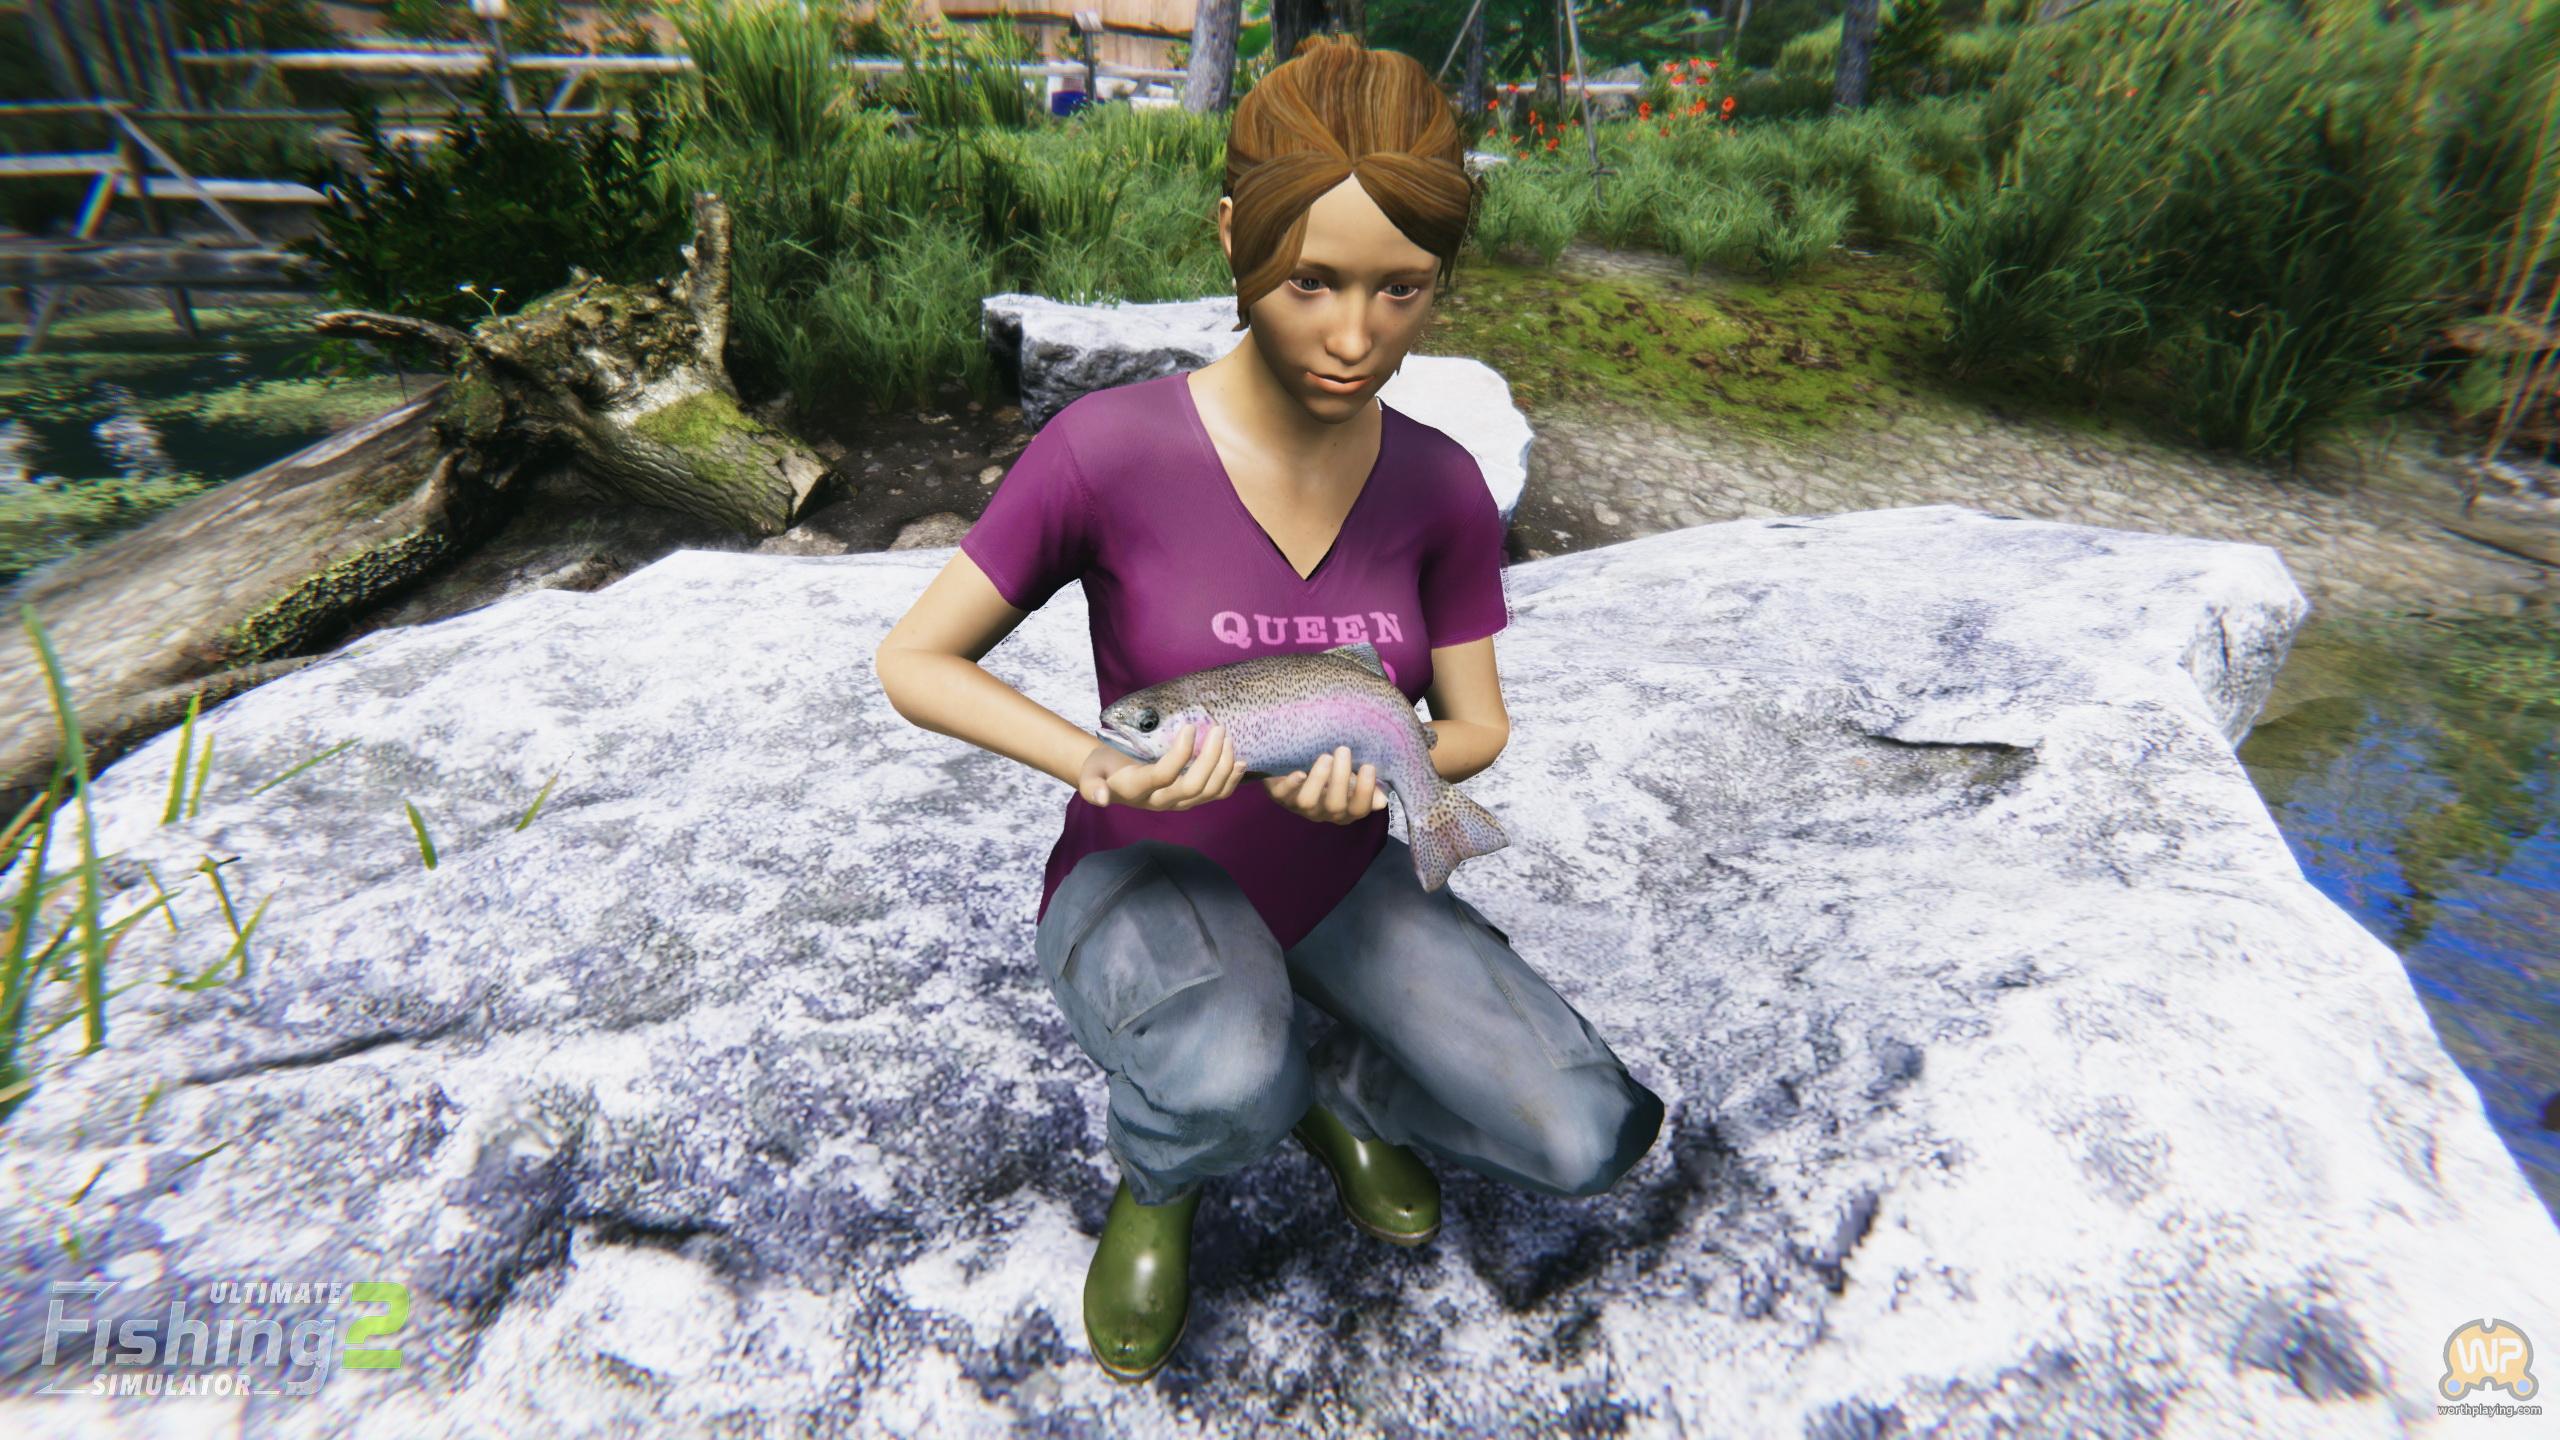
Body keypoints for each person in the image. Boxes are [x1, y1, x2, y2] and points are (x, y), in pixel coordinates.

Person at [872, 33, 1665, 1384]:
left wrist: (1397, 770)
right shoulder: (1106, 450)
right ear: (1235, 234)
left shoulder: (1442, 485)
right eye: (1312, 282)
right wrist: (1093, 764)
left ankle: (1335, 1082)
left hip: (1344, 877)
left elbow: (1476, 728)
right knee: (1223, 1076)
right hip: (1150, 868)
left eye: (1402, 290)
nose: (1356, 338)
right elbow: (916, 661)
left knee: (1587, 1134)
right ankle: (1164, 1174)